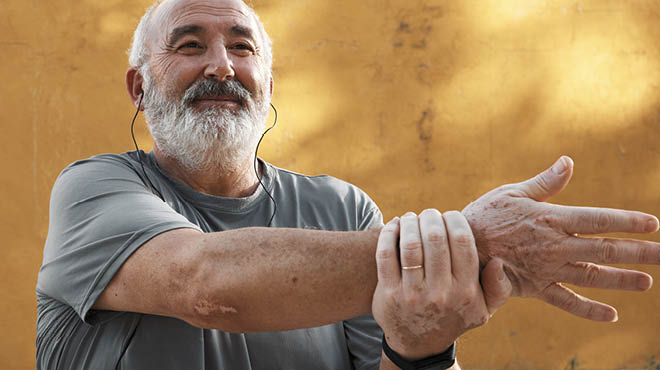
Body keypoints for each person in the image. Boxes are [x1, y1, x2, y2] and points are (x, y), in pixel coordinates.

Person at [35, 0, 660, 369]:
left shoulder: (342, 208)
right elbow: (206, 284)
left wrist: (422, 347)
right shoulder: (93, 190)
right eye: (189, 45)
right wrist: (472, 243)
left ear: (269, 88)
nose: (220, 65)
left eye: (242, 48)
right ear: (139, 88)